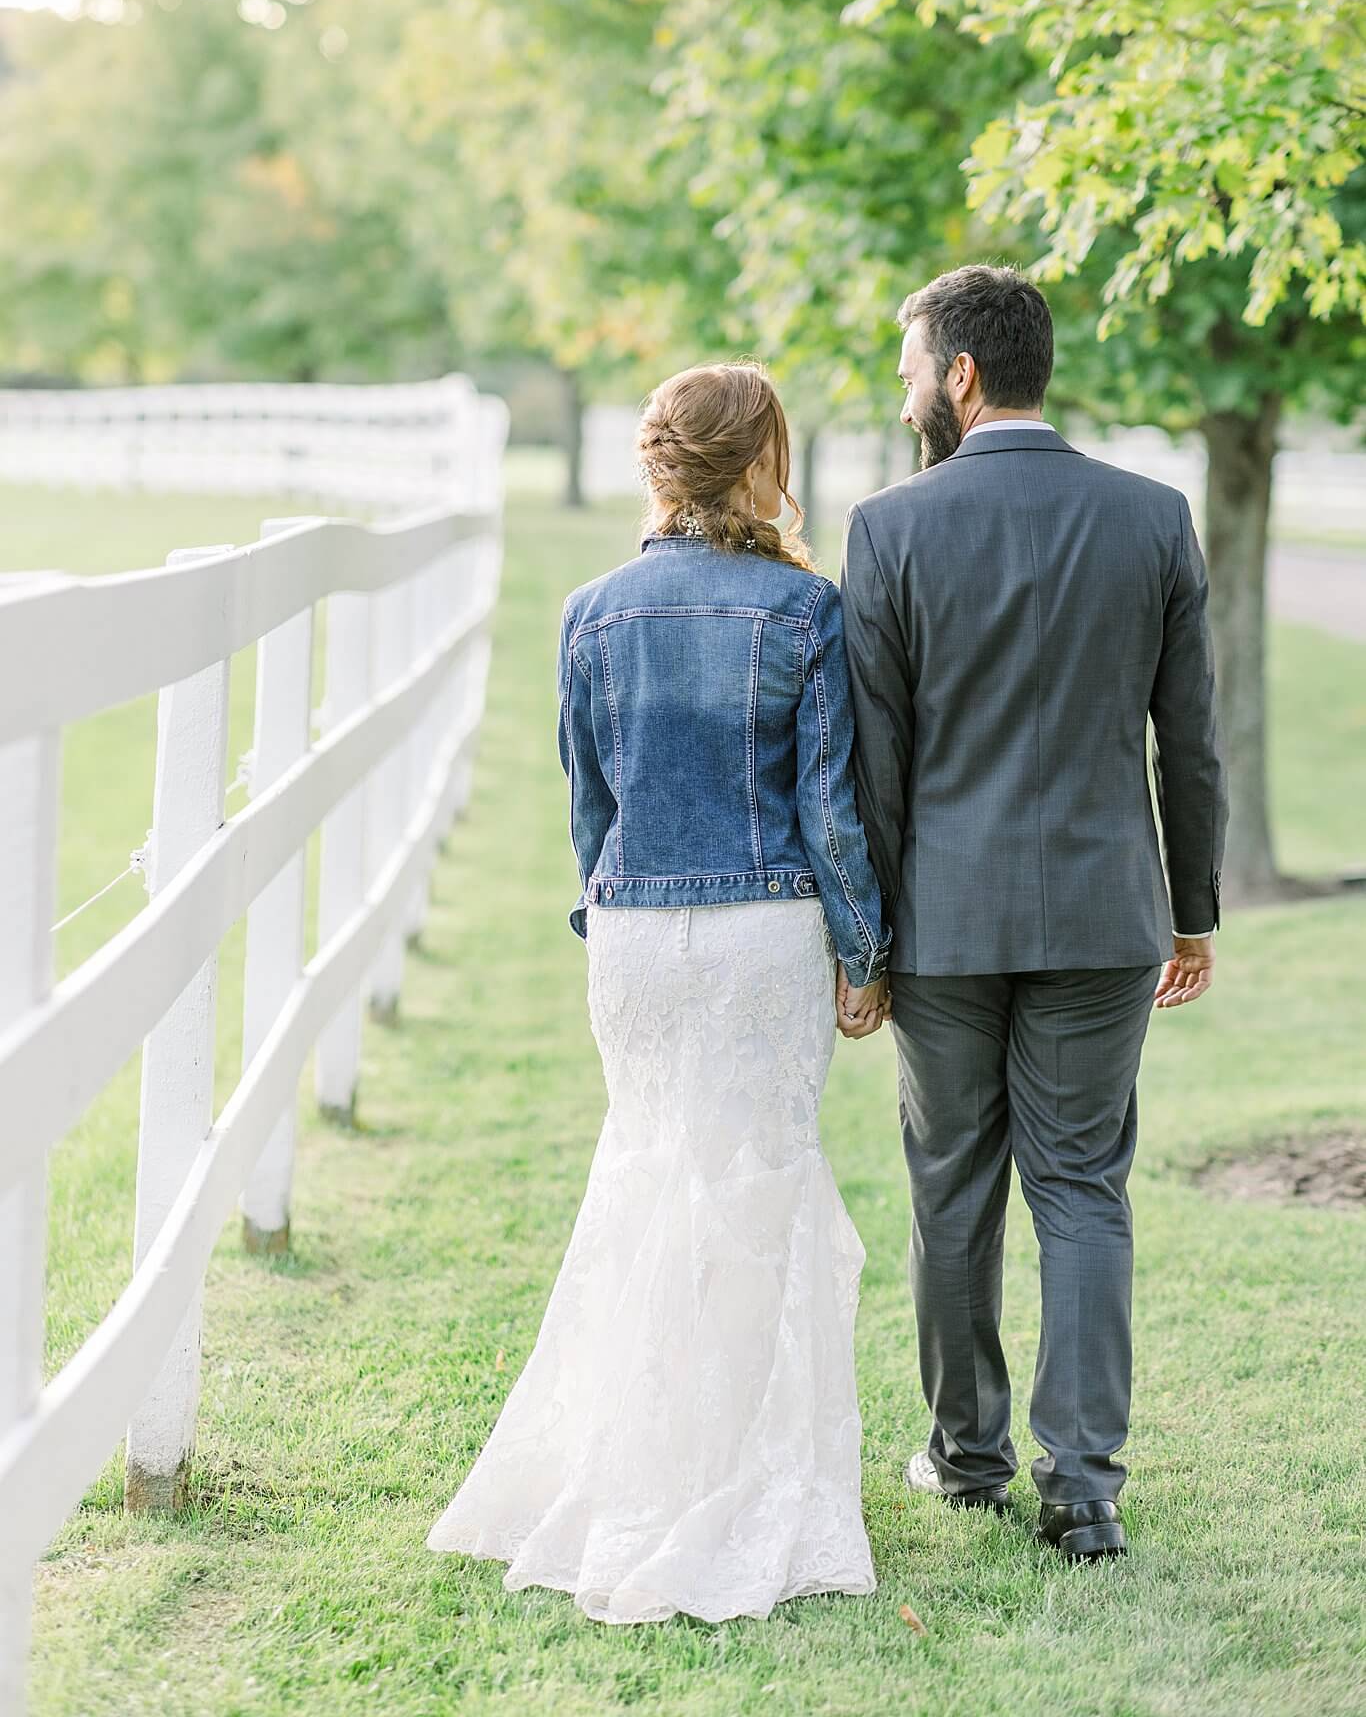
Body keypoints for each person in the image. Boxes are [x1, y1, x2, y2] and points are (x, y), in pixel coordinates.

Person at [427, 360, 893, 1622]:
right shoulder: (804, 613)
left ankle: (630, 1464)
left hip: (632, 935)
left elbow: (590, 804)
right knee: (755, 1187)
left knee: (647, 1174)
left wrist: (613, 913)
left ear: (659, 463)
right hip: (761, 934)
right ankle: (733, 1477)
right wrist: (864, 949)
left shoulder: (591, 609)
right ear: (762, 462)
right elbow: (829, 810)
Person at [840, 262, 1228, 1563]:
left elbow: (874, 762)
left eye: (911, 368)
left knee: (951, 1192)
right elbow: (1190, 746)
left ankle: (965, 1459)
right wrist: (1190, 911)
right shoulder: (1150, 517)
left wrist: (872, 940)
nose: (905, 393)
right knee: (1081, 1191)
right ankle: (1084, 1487)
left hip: (943, 920)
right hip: (1101, 916)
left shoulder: (890, 528)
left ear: (959, 374)